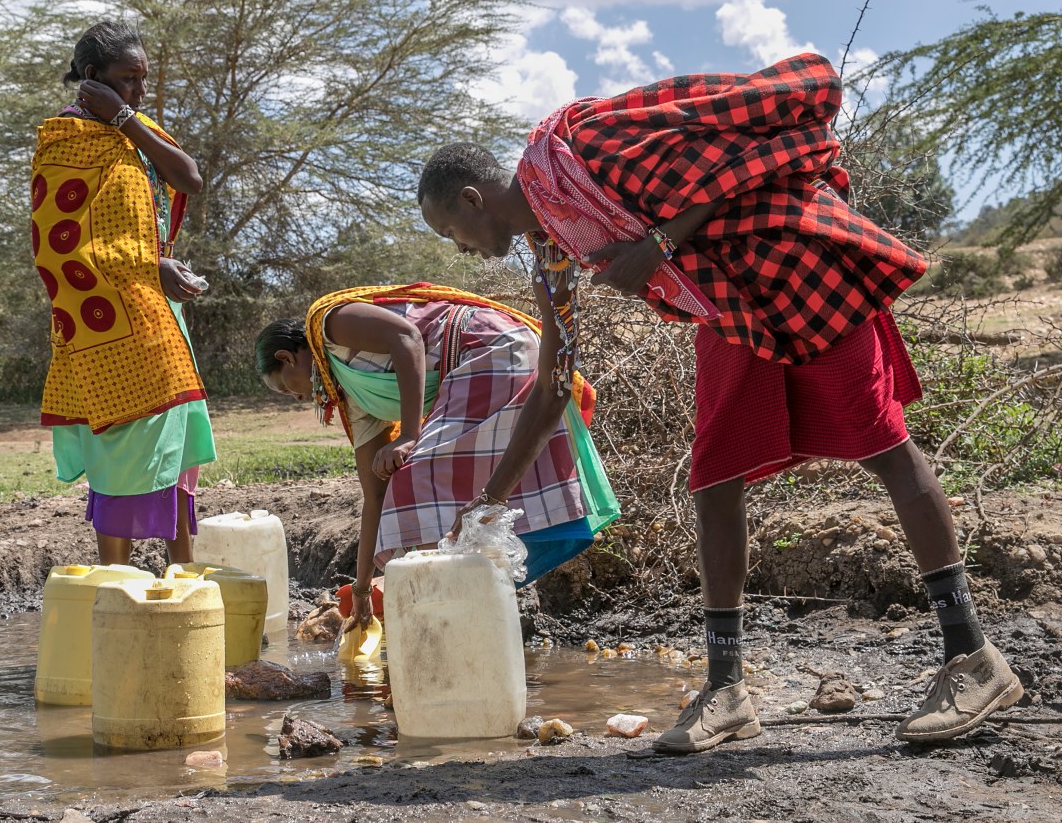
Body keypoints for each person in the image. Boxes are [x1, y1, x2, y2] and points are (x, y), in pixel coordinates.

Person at [417, 53, 1023, 753]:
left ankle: (974, 658)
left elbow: (742, 154)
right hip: (732, 310)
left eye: (451, 234)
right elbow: (555, 381)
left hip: (796, 260)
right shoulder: (552, 244)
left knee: (883, 446)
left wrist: (659, 243)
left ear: (472, 200)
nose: (462, 251)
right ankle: (727, 692)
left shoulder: (583, 145)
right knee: (714, 477)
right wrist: (489, 500)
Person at [256, 283, 619, 633]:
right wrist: (362, 588)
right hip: (482, 365)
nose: (295, 397)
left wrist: (410, 436)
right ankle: (466, 603)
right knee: (412, 489)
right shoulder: (356, 397)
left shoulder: (329, 323)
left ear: (286, 358)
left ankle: (451, 607)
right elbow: (376, 494)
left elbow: (407, 338)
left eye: (284, 387)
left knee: (418, 479)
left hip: (491, 347)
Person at [31, 22, 215, 566]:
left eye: (143, 79)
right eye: (129, 79)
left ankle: (182, 576)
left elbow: (189, 178)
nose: (140, 89)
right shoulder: (65, 140)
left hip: (157, 314)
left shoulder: (134, 130)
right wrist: (149, 266)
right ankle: (115, 580)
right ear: (93, 76)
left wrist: (124, 117)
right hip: (106, 322)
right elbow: (58, 247)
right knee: (122, 447)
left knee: (173, 442)